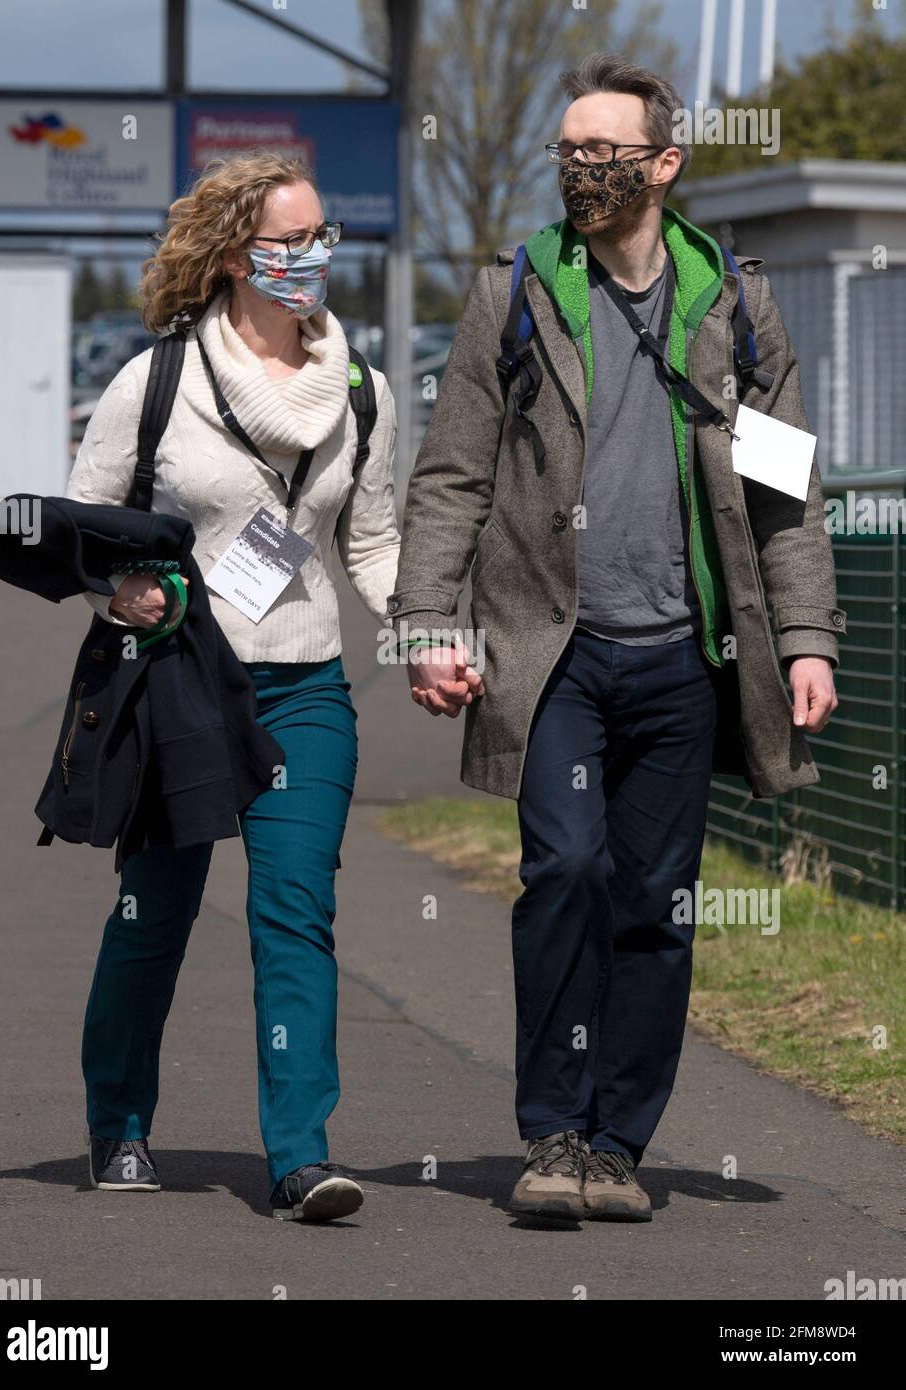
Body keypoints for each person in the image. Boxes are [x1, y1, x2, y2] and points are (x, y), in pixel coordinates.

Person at [389, 53, 845, 1223]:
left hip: (688, 660)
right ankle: (549, 1131)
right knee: (568, 871)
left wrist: (805, 640)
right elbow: (449, 476)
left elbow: (786, 496)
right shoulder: (517, 291)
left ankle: (616, 1141)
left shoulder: (736, 303)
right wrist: (431, 623)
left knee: (655, 898)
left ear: (663, 162)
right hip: (554, 651)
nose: (581, 166)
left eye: (604, 149)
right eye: (570, 149)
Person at [67, 151, 400, 1222]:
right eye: (286, 243)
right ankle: (118, 1124)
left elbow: (376, 540)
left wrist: (433, 631)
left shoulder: (361, 390)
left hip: (304, 689)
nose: (309, 260)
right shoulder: (154, 381)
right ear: (230, 255)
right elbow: (88, 530)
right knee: (152, 912)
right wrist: (121, 591)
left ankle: (300, 1157)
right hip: (179, 688)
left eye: (320, 240)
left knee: (293, 913)